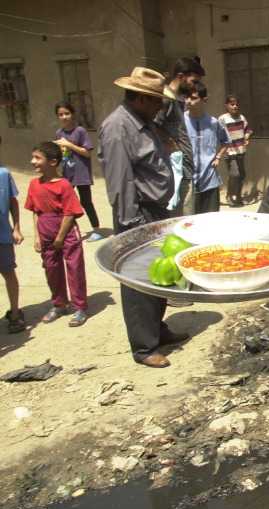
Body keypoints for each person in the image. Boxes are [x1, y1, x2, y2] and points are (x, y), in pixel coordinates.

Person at [98, 66, 189, 368]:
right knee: (137, 278)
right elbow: (120, 181)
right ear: (138, 98)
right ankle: (143, 346)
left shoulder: (143, 121)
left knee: (160, 272)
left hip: (157, 212)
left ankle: (157, 330)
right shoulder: (118, 128)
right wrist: (132, 226)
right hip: (138, 213)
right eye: (154, 100)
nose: (160, 105)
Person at [24, 142, 88, 327]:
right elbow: (35, 211)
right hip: (45, 229)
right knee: (51, 268)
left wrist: (59, 238)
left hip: (65, 231)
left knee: (74, 268)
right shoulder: (34, 184)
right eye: (33, 157)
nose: (32, 161)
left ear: (53, 162)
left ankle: (79, 307)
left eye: (37, 158)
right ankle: (59, 304)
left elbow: (69, 213)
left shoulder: (64, 185)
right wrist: (37, 236)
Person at [154, 57, 205, 217]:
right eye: (194, 81)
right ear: (181, 77)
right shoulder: (166, 98)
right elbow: (152, 125)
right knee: (182, 224)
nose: (196, 86)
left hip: (184, 170)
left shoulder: (176, 100)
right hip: (177, 172)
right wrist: (169, 142)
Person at [54, 102, 104, 242]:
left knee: (86, 202)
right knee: (65, 203)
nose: (64, 117)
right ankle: (66, 231)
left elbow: (87, 153)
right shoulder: (59, 133)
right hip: (67, 173)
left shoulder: (80, 131)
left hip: (81, 172)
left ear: (73, 114)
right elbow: (61, 154)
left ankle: (97, 230)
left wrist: (69, 144)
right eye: (61, 114)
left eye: (67, 113)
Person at [184, 83, 230, 214]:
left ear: (204, 100)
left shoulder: (213, 123)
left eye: (193, 98)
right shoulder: (181, 121)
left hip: (209, 181)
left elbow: (226, 141)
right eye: (187, 98)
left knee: (210, 222)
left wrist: (218, 156)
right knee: (189, 224)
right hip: (188, 182)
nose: (188, 101)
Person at [0, 135, 26, 334]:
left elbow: (12, 201)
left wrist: (16, 227)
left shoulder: (4, 174)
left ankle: (15, 311)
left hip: (2, 236)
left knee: (9, 273)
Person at [218, 94, 252, 208]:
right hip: (229, 151)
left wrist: (247, 135)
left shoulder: (241, 118)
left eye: (236, 104)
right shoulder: (223, 119)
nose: (235, 107)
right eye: (232, 104)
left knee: (242, 174)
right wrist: (222, 146)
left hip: (241, 149)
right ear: (226, 105)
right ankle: (229, 195)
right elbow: (218, 133)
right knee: (234, 174)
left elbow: (248, 128)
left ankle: (238, 197)